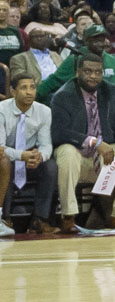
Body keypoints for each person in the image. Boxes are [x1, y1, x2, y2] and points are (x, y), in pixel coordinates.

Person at [51, 53, 115, 232]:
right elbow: (59, 133)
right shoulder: (63, 95)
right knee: (67, 152)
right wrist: (94, 142)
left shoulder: (110, 90)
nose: (93, 76)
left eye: (97, 72)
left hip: (106, 158)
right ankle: (68, 216)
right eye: (88, 71)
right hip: (80, 157)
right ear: (77, 73)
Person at [0, 73, 57, 236]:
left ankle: (40, 219)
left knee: (50, 166)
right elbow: (1, 147)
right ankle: (5, 218)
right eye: (23, 88)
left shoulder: (44, 111)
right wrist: (21, 155)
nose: (29, 92)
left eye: (32, 87)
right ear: (12, 91)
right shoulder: (2, 110)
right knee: (4, 163)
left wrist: (40, 156)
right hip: (7, 158)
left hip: (30, 159)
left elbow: (46, 145)